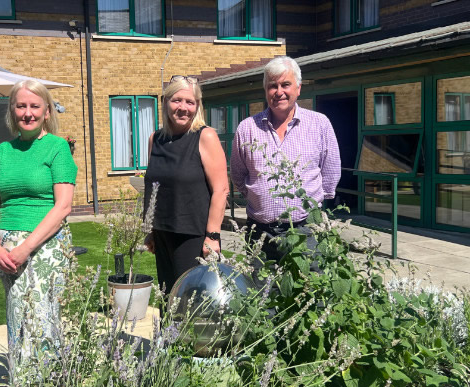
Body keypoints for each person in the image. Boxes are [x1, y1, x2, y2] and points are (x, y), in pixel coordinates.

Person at [0, 80, 77, 361]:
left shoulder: (57, 148)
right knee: (16, 315)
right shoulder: (3, 151)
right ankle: (21, 383)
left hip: (45, 244)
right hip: (5, 248)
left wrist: (25, 248)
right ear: (12, 111)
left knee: (42, 318)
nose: (28, 113)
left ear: (47, 112)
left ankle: (47, 383)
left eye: (35, 106)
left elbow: (63, 207)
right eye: (21, 106)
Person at [230, 56, 341, 270]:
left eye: (285, 84)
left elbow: (331, 172)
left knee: (308, 287)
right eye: (272, 86)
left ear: (298, 88)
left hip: (307, 231)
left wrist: (315, 205)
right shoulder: (247, 128)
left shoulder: (319, 124)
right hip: (261, 233)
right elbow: (238, 174)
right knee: (261, 288)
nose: (279, 91)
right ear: (265, 91)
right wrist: (259, 198)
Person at [144, 75, 229, 294]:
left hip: (194, 237)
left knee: (190, 301)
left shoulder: (205, 136)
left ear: (197, 106)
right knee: (167, 299)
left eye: (190, 102)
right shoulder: (156, 139)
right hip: (162, 234)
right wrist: (151, 231)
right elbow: (155, 188)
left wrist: (213, 236)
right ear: (166, 102)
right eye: (176, 100)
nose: (183, 108)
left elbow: (221, 190)